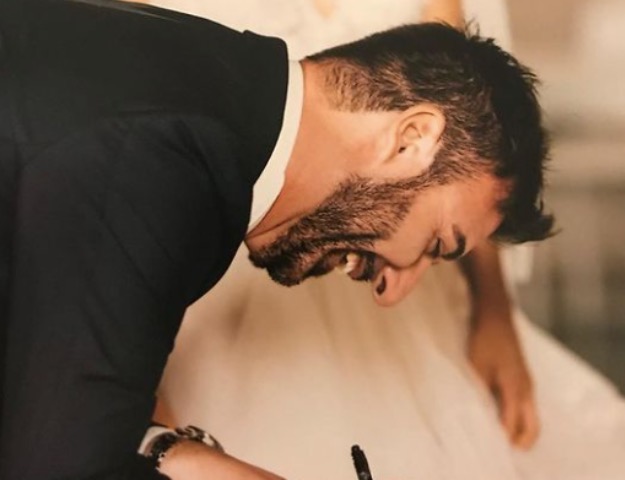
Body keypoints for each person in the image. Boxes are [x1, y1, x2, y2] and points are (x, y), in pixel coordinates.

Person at [0, 0, 553, 479]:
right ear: (411, 139)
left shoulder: (214, 88)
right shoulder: (170, 170)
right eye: (435, 243)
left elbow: (57, 406)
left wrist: (173, 450)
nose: (393, 291)